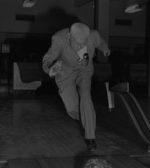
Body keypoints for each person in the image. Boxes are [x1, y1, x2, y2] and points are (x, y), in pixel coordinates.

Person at [42, 23, 111, 151]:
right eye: (77, 44)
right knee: (72, 108)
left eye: (83, 44)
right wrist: (49, 68)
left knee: (86, 94)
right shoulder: (59, 38)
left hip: (84, 69)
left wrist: (105, 48)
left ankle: (90, 136)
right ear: (69, 36)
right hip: (65, 70)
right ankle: (87, 117)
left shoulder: (93, 35)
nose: (80, 47)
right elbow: (49, 58)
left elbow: (100, 43)